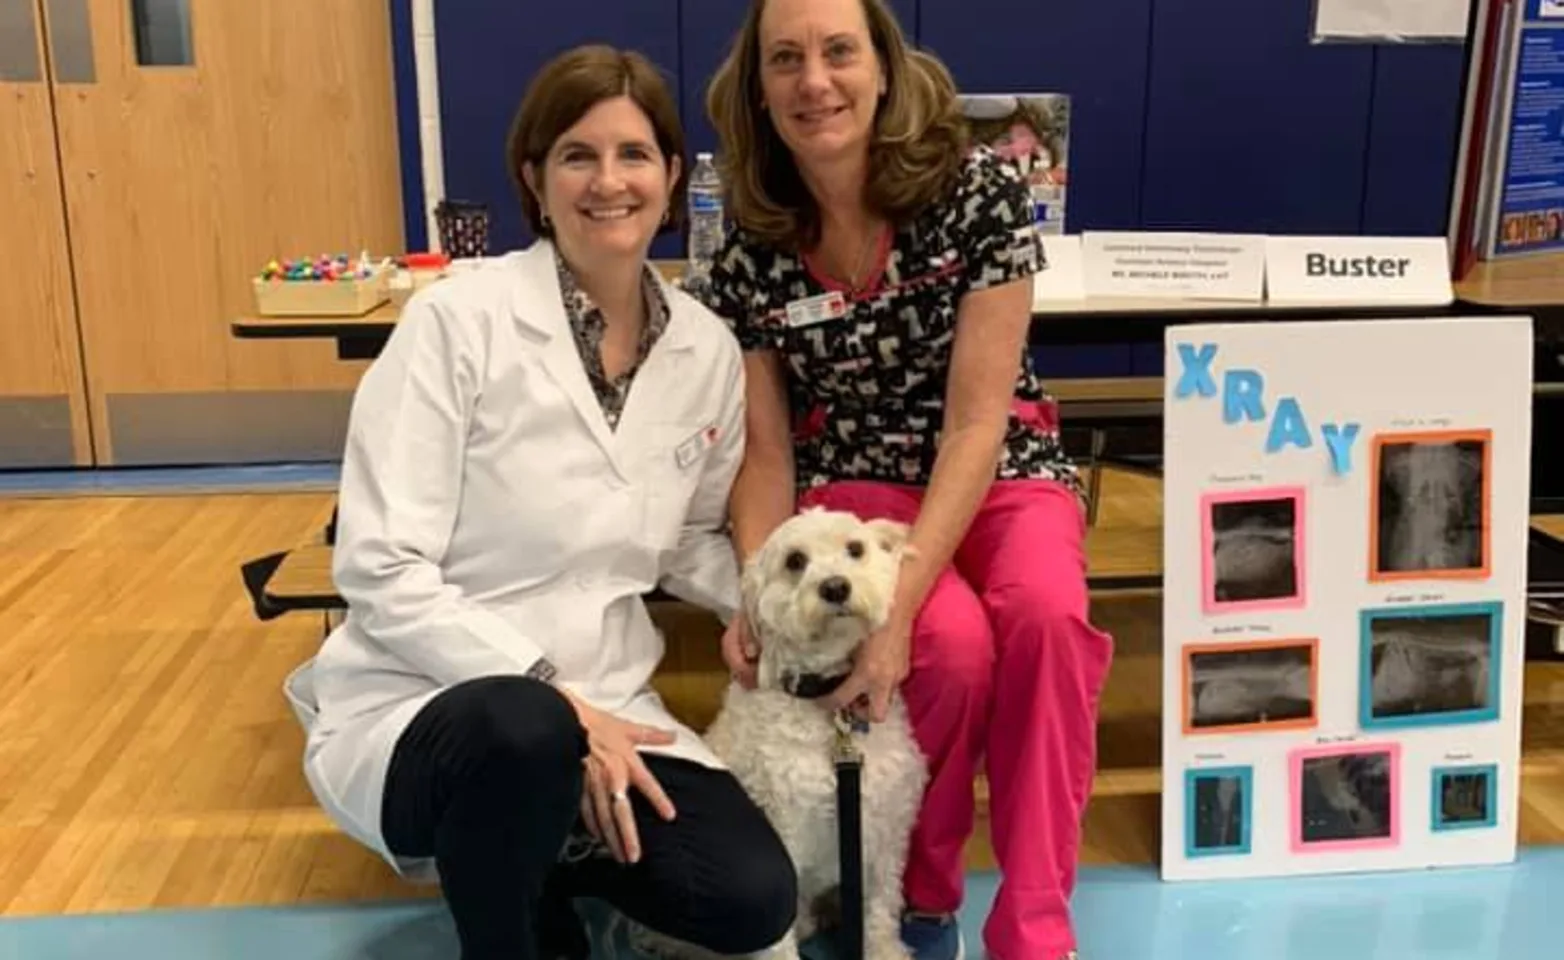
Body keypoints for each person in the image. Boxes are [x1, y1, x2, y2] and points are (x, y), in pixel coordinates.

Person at [281, 45, 796, 960]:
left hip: (606, 696)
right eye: (577, 155)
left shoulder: (706, 352)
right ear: (535, 176)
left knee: (751, 898)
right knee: (523, 732)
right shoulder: (455, 323)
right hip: (433, 703)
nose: (610, 182)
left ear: (672, 177)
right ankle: (512, 925)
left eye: (634, 155)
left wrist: (776, 609)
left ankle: (545, 858)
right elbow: (378, 567)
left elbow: (682, 540)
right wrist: (559, 704)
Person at [698, 2, 1115, 959]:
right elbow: (767, 455)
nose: (815, 81)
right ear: (757, 88)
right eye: (786, 60)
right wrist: (756, 602)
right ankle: (920, 904)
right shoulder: (751, 246)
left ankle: (1037, 926)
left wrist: (897, 613)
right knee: (955, 654)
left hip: (1001, 464)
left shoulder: (979, 193)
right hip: (858, 480)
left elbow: (976, 422)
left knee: (1048, 623)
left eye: (839, 52)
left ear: (883, 66)